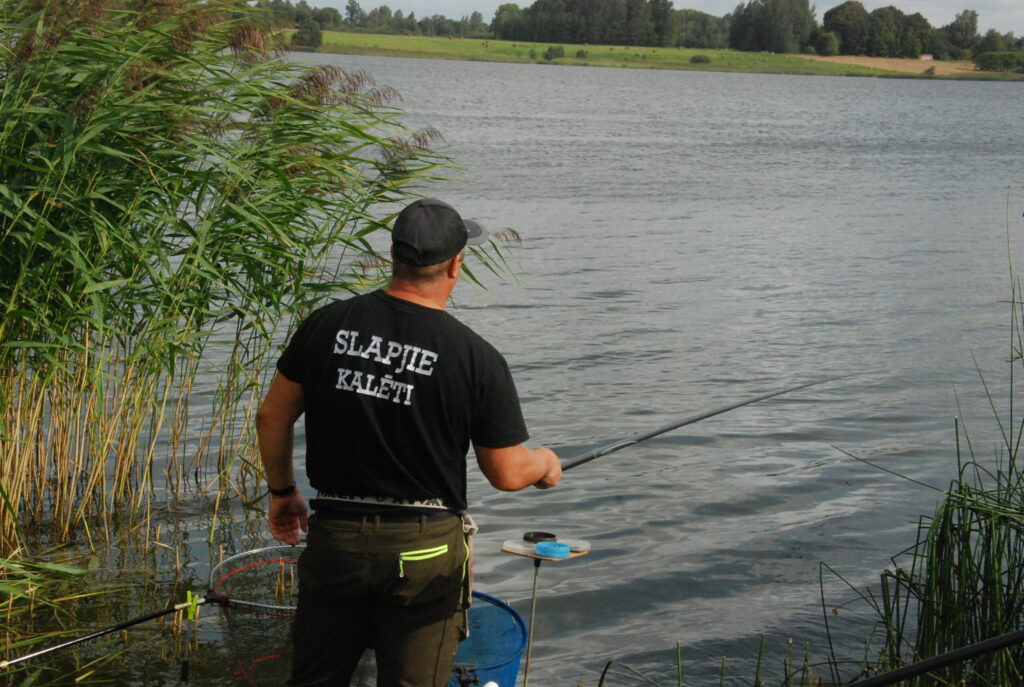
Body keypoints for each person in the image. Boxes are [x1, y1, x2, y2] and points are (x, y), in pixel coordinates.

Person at [256, 197, 562, 687]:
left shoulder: (326, 324)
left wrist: (281, 492)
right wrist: (544, 461)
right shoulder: (475, 357)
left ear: (393, 254)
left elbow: (271, 416)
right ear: (456, 265)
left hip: (335, 536)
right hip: (423, 552)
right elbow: (506, 473)